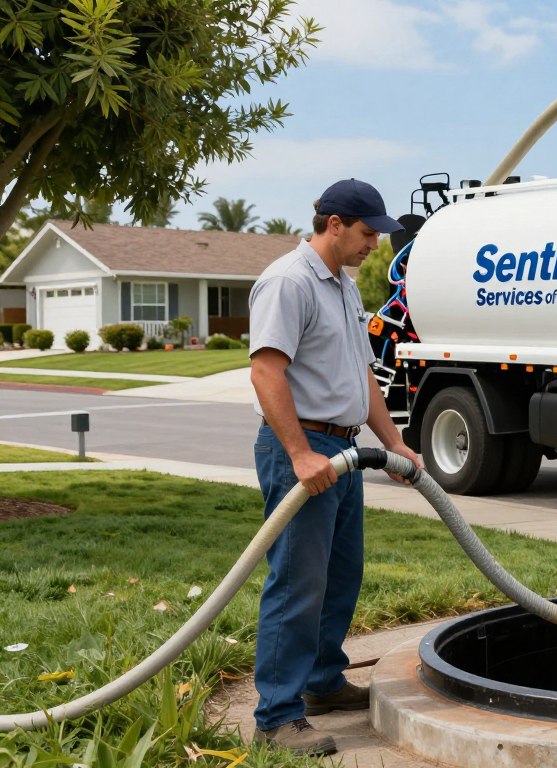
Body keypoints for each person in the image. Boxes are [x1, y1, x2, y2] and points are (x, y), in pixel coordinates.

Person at [248, 179, 423, 755]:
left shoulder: (343, 287)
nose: (375, 244)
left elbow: (362, 376)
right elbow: (267, 374)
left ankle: (322, 682)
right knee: (298, 582)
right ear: (334, 224)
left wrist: (394, 443)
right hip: (304, 450)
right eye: (369, 233)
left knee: (340, 576)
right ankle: (276, 718)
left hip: (344, 453)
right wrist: (301, 454)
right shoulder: (288, 282)